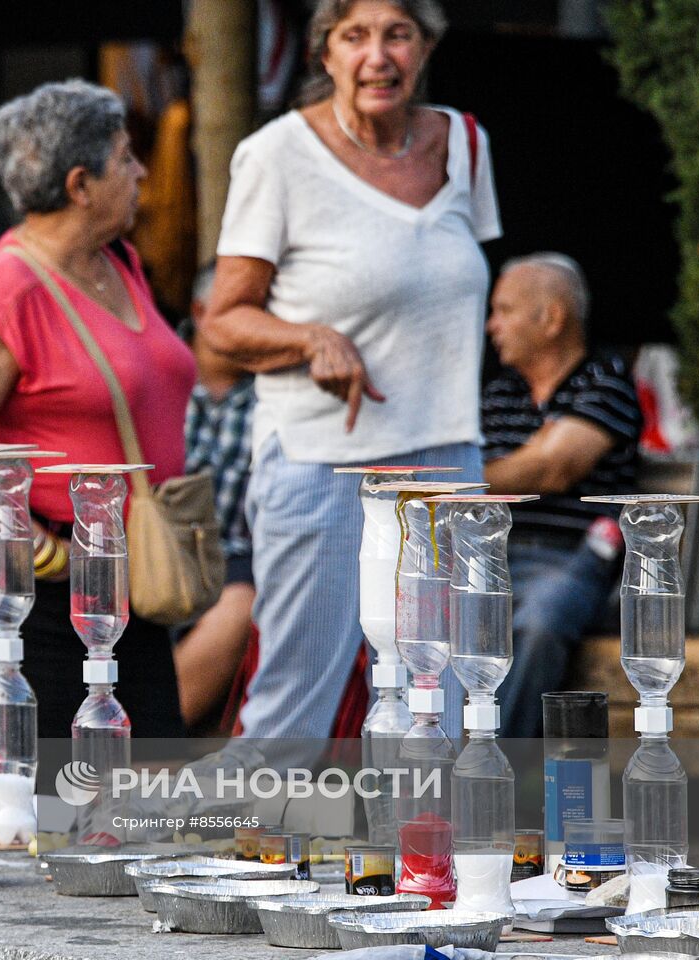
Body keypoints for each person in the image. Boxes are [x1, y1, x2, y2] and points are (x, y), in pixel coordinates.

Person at [203, 0, 501, 742]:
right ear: (325, 54)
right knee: (294, 710)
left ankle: (430, 858)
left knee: (451, 703)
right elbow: (224, 319)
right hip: (323, 465)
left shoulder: (464, 143)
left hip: (446, 460)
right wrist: (309, 340)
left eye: (398, 34)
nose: (379, 57)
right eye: (355, 36)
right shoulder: (276, 155)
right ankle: (247, 845)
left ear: (426, 46)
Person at [0, 80, 195, 740]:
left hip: (137, 581)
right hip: (52, 599)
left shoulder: (118, 260)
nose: (140, 173)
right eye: (126, 157)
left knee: (152, 799)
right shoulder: (7, 288)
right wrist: (47, 556)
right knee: (66, 809)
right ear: (81, 183)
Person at [482, 253, 640, 739]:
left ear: (551, 318)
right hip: (490, 559)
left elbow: (554, 468)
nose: (491, 326)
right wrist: (520, 461)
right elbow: (502, 470)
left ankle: (494, 775)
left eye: (504, 310)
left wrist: (487, 473)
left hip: (573, 561)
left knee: (540, 621)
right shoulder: (498, 394)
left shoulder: (605, 380)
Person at [176, 265, 256, 733]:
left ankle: (147, 741)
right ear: (201, 313)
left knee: (241, 602)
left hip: (238, 558)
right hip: (157, 549)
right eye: (245, 312)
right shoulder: (161, 371)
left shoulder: (276, 391)